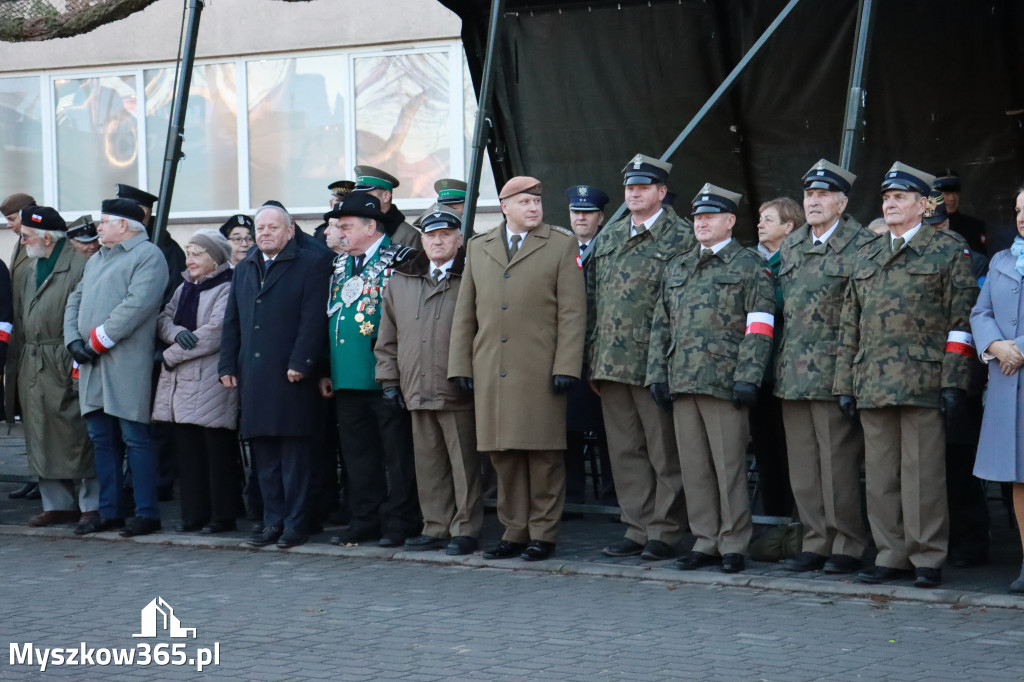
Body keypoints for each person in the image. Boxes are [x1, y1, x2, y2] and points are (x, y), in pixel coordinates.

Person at [835, 162, 978, 588]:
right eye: (886, 198)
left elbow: (961, 322)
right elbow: (849, 325)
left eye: (900, 198)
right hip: (873, 381)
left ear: (922, 204)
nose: (891, 204)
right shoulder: (867, 253)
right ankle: (890, 553)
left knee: (923, 476)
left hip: (923, 380)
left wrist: (954, 382)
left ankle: (927, 556)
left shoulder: (948, 249)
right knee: (880, 478)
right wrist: (845, 383)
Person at [449, 176, 585, 561]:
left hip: (539, 369)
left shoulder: (560, 244)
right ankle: (514, 532)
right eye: (524, 202)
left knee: (543, 456)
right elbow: (465, 314)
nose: (533, 208)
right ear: (504, 206)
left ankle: (543, 533)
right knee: (502, 455)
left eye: (537, 202)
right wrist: (461, 365)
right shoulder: (479, 247)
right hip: (491, 367)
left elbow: (573, 312)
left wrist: (567, 366)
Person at [648, 183, 775, 574]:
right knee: (695, 468)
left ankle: (734, 542)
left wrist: (748, 377)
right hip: (684, 380)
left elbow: (760, 326)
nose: (701, 223)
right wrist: (658, 374)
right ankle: (705, 539)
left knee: (729, 466)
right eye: (697, 217)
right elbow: (661, 324)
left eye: (709, 217)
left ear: (730, 221)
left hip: (725, 382)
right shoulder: (679, 265)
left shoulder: (749, 266)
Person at [587, 154, 693, 561]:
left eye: (643, 187)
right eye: (630, 187)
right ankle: (636, 527)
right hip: (613, 363)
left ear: (661, 193)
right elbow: (594, 301)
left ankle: (665, 532)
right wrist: (592, 358)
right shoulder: (610, 237)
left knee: (664, 453)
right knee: (626, 452)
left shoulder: (681, 237)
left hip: (656, 364)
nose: (634, 193)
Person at [773, 160, 872, 575]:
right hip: (793, 372)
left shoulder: (861, 244)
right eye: (809, 195)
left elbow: (865, 315)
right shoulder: (793, 245)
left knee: (838, 466)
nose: (813, 202)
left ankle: (846, 543)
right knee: (804, 465)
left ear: (842, 202)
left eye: (822, 195)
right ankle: (815, 541)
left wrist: (851, 376)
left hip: (835, 371)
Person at [219, 204, 332, 549]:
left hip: (291, 375)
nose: (264, 233)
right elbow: (233, 319)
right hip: (254, 375)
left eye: (272, 227)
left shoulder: (311, 264)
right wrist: (227, 365)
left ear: (289, 230)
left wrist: (303, 362)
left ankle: (296, 525)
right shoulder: (245, 267)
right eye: (260, 228)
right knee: (264, 458)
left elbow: (313, 319)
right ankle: (273, 522)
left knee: (294, 458)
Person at [375, 208, 482, 555]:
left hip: (457, 387)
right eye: (431, 236)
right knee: (428, 463)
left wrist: (471, 372)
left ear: (459, 239)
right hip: (415, 385)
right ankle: (435, 526)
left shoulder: (471, 276)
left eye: (446, 235)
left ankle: (465, 528)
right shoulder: (403, 279)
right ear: (421, 240)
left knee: (464, 464)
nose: (438, 241)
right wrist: (389, 380)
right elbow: (387, 336)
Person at [319, 192, 420, 548]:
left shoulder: (402, 259)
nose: (339, 233)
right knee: (358, 456)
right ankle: (365, 518)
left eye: (345, 227)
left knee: (397, 454)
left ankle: (401, 520)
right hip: (348, 376)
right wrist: (327, 370)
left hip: (386, 376)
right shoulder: (341, 265)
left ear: (370, 226)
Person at [64, 198, 169, 537]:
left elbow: (136, 306)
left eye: (105, 221)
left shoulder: (148, 256)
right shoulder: (97, 259)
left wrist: (93, 343)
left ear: (124, 225)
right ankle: (108, 512)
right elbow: (74, 300)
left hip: (125, 362)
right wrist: (72, 342)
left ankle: (146, 513)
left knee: (135, 437)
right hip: (92, 363)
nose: (99, 227)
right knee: (101, 438)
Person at [153, 229, 241, 534]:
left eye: (197, 253)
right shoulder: (185, 286)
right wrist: (176, 334)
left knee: (215, 453)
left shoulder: (228, 285)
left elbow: (215, 331)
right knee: (188, 454)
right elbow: (164, 319)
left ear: (215, 257)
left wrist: (170, 355)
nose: (189, 259)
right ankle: (193, 515)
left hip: (210, 380)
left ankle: (222, 516)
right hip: (181, 385)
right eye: (188, 253)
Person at [15, 206, 96, 529]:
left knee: (79, 433)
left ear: (47, 238)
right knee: (39, 432)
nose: (21, 243)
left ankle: (92, 503)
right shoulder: (28, 268)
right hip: (33, 361)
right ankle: (57, 503)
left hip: (64, 357)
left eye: (26, 236)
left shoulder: (80, 263)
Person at [925, 190, 991, 567]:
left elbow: (970, 320)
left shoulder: (975, 262)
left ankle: (971, 539)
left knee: (959, 462)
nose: (937, 231)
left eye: (941, 224)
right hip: (921, 376)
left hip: (961, 374)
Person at [970, 185, 1024, 593]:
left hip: (1017, 364)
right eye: (1019, 209)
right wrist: (994, 344)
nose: (1022, 217)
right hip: (1008, 382)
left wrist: (1020, 348)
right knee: (1018, 477)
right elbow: (980, 310)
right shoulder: (1002, 260)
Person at [563, 184, 616, 508]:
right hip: (569, 354)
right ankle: (572, 499)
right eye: (576, 212)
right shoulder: (558, 249)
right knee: (567, 428)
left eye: (588, 213)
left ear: (601, 217)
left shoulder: (612, 247)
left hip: (605, 353)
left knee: (613, 430)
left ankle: (614, 499)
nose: (581, 218)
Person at [752, 196, 801, 519]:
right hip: (760, 370)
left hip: (790, 369)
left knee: (792, 452)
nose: (760, 224)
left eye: (768, 220)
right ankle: (773, 519)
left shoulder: (797, 260)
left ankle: (794, 521)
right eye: (760, 218)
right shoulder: (751, 260)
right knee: (766, 449)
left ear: (789, 226)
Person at [2, 193, 36, 493]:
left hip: (35, 338)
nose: (11, 227)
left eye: (13, 220)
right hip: (21, 339)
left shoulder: (38, 242)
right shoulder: (20, 244)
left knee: (39, 414)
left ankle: (44, 476)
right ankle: (36, 475)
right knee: (26, 412)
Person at [114, 184, 187, 306]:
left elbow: (173, 295)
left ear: (142, 212)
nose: (117, 217)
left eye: (122, 211)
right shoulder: (120, 244)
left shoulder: (166, 248)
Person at [353, 165, 422, 248]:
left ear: (386, 196)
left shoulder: (408, 235)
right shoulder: (356, 228)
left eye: (368, 195)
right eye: (359, 195)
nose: (362, 199)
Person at [934, 170, 987, 255]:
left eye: (955, 194)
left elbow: (978, 261)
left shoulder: (975, 226)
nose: (952, 198)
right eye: (947, 194)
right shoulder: (924, 226)